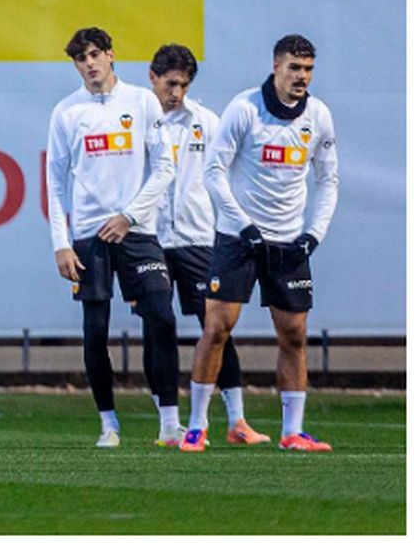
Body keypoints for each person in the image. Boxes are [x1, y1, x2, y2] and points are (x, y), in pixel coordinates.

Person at [182, 34, 339, 453]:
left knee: (294, 334)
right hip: (239, 239)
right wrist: (244, 225)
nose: (301, 77)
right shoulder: (245, 108)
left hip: (289, 243)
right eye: (293, 68)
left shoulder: (319, 116)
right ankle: (196, 427)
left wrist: (313, 234)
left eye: (307, 69)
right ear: (276, 67)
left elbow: (328, 181)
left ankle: (292, 432)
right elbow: (213, 172)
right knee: (216, 328)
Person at [46, 27, 182, 447]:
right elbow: (54, 181)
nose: (88, 65)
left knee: (161, 316)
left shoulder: (142, 101)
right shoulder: (67, 112)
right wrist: (61, 242)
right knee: (95, 330)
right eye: (79, 59)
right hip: (88, 236)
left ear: (110, 56)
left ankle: (169, 422)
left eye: (93, 55)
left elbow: (165, 168)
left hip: (136, 231)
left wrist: (129, 216)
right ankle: (109, 423)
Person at [147, 44, 268, 448]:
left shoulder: (208, 122)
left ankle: (237, 420)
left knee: (215, 328)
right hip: (151, 239)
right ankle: (168, 425)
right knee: (158, 325)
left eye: (183, 84)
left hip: (200, 238)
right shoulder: (139, 122)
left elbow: (227, 174)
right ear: (153, 78)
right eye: (170, 83)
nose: (176, 92)